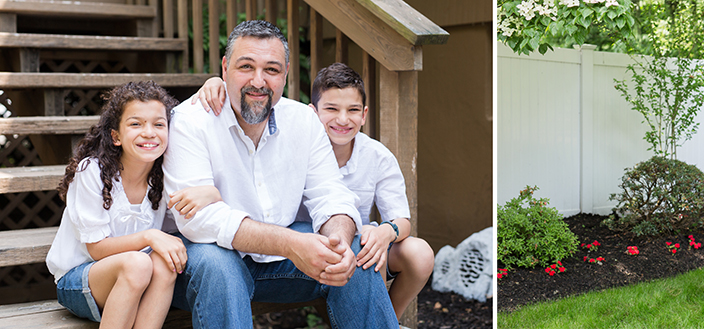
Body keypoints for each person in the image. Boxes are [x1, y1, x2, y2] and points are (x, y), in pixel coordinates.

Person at [161, 20, 397, 328]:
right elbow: (198, 219)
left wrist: (338, 242)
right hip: (205, 266)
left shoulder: (303, 121)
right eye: (246, 66)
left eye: (271, 70)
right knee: (218, 266)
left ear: (285, 73)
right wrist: (290, 244)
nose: (258, 81)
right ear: (225, 68)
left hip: (281, 263)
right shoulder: (190, 121)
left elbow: (331, 194)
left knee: (353, 249)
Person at [194, 62, 435, 320]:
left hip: (352, 246)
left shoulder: (378, 156)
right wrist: (217, 83)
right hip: (294, 245)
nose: (343, 119)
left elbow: (401, 219)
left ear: (364, 115)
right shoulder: (291, 142)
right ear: (312, 112)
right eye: (331, 109)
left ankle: (390, 320)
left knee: (414, 252)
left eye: (353, 110)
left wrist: (385, 231)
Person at [45, 81, 221, 328]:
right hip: (80, 280)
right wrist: (149, 236)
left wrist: (212, 193)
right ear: (116, 136)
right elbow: (96, 249)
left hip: (137, 278)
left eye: (158, 124)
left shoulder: (164, 177)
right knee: (138, 263)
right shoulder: (92, 171)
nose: (149, 132)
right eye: (136, 124)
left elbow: (194, 217)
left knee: (164, 263)